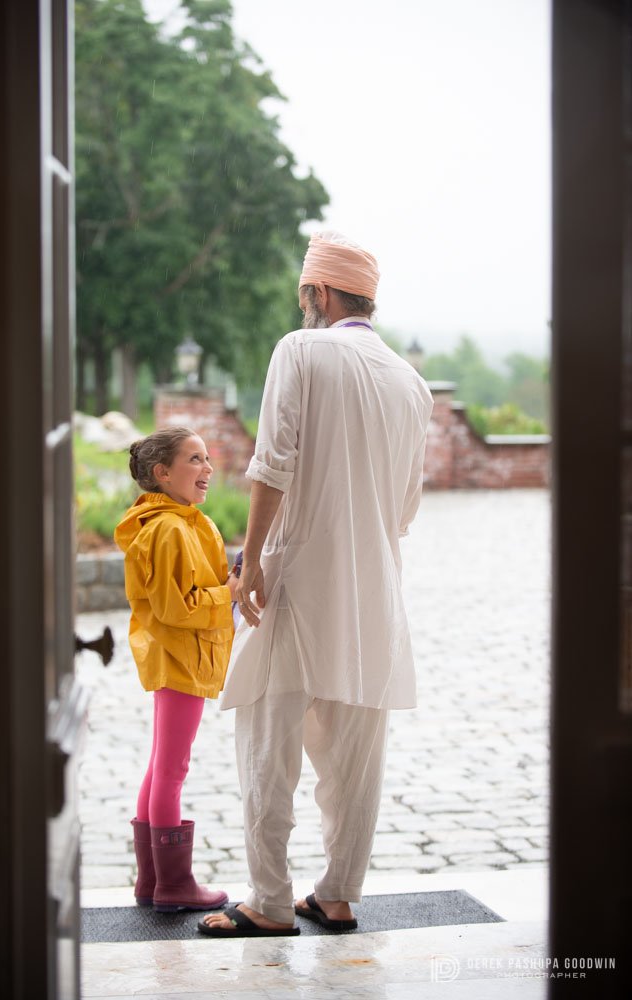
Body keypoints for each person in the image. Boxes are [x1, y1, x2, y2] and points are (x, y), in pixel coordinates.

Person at [199, 230, 434, 938]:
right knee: (356, 755)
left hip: (298, 578)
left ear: (318, 293)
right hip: (376, 591)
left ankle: (269, 902)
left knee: (268, 746)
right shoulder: (411, 381)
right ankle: (337, 895)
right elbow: (405, 509)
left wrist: (255, 558)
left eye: (307, 293)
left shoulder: (300, 350)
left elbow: (274, 462)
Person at [114, 426, 238, 912]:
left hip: (178, 654)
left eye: (207, 459)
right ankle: (174, 884)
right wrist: (227, 594)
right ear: (162, 474)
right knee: (171, 768)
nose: (207, 469)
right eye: (194, 459)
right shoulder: (169, 528)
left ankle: (152, 882)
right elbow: (174, 606)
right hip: (180, 655)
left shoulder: (180, 521)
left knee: (160, 765)